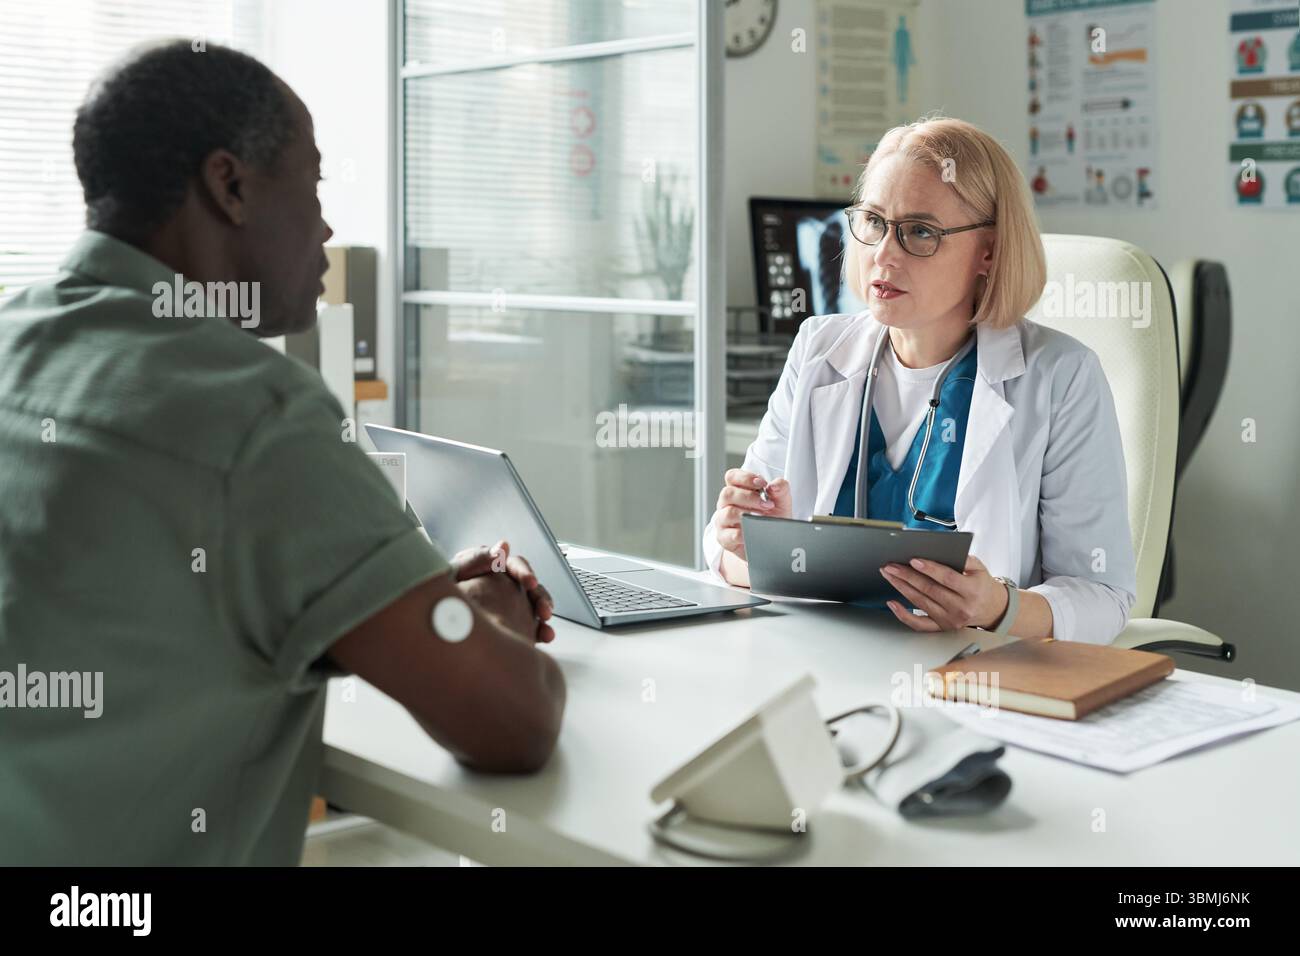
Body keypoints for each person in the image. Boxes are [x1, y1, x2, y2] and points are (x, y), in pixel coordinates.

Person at [0, 40, 564, 865]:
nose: (328, 225)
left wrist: (389, 603)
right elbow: (513, 727)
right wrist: (493, 615)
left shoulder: (16, 338)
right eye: (314, 181)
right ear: (230, 186)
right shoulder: (255, 413)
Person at [705, 116, 1137, 645]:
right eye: (873, 222)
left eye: (920, 232)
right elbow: (726, 551)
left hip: (974, 680)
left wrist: (997, 606)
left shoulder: (1061, 376)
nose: (883, 255)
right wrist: (740, 541)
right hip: (820, 658)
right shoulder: (819, 351)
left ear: (990, 253)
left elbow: (1104, 596)